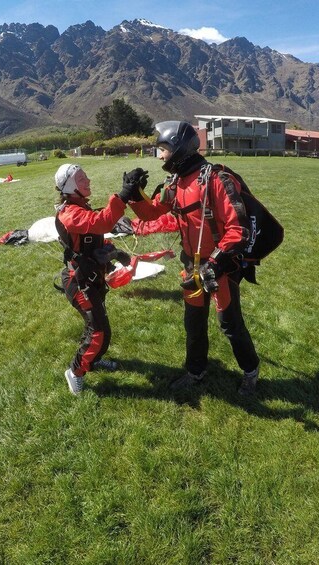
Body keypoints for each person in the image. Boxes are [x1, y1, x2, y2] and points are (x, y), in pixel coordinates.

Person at [123, 121, 261, 395]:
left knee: (229, 324)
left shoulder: (216, 179)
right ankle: (196, 372)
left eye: (163, 149)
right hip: (191, 265)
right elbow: (153, 213)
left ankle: (251, 371)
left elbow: (239, 229)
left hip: (221, 265)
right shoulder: (174, 181)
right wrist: (133, 193)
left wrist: (216, 263)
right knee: (193, 323)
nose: (160, 156)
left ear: (179, 149)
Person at [54, 163, 135, 395]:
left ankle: (94, 360)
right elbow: (101, 223)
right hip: (79, 281)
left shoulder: (81, 207)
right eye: (82, 179)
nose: (88, 181)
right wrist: (123, 196)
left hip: (92, 277)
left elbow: (95, 241)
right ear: (70, 187)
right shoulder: (70, 213)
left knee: (101, 328)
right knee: (97, 331)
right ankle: (75, 371)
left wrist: (116, 253)